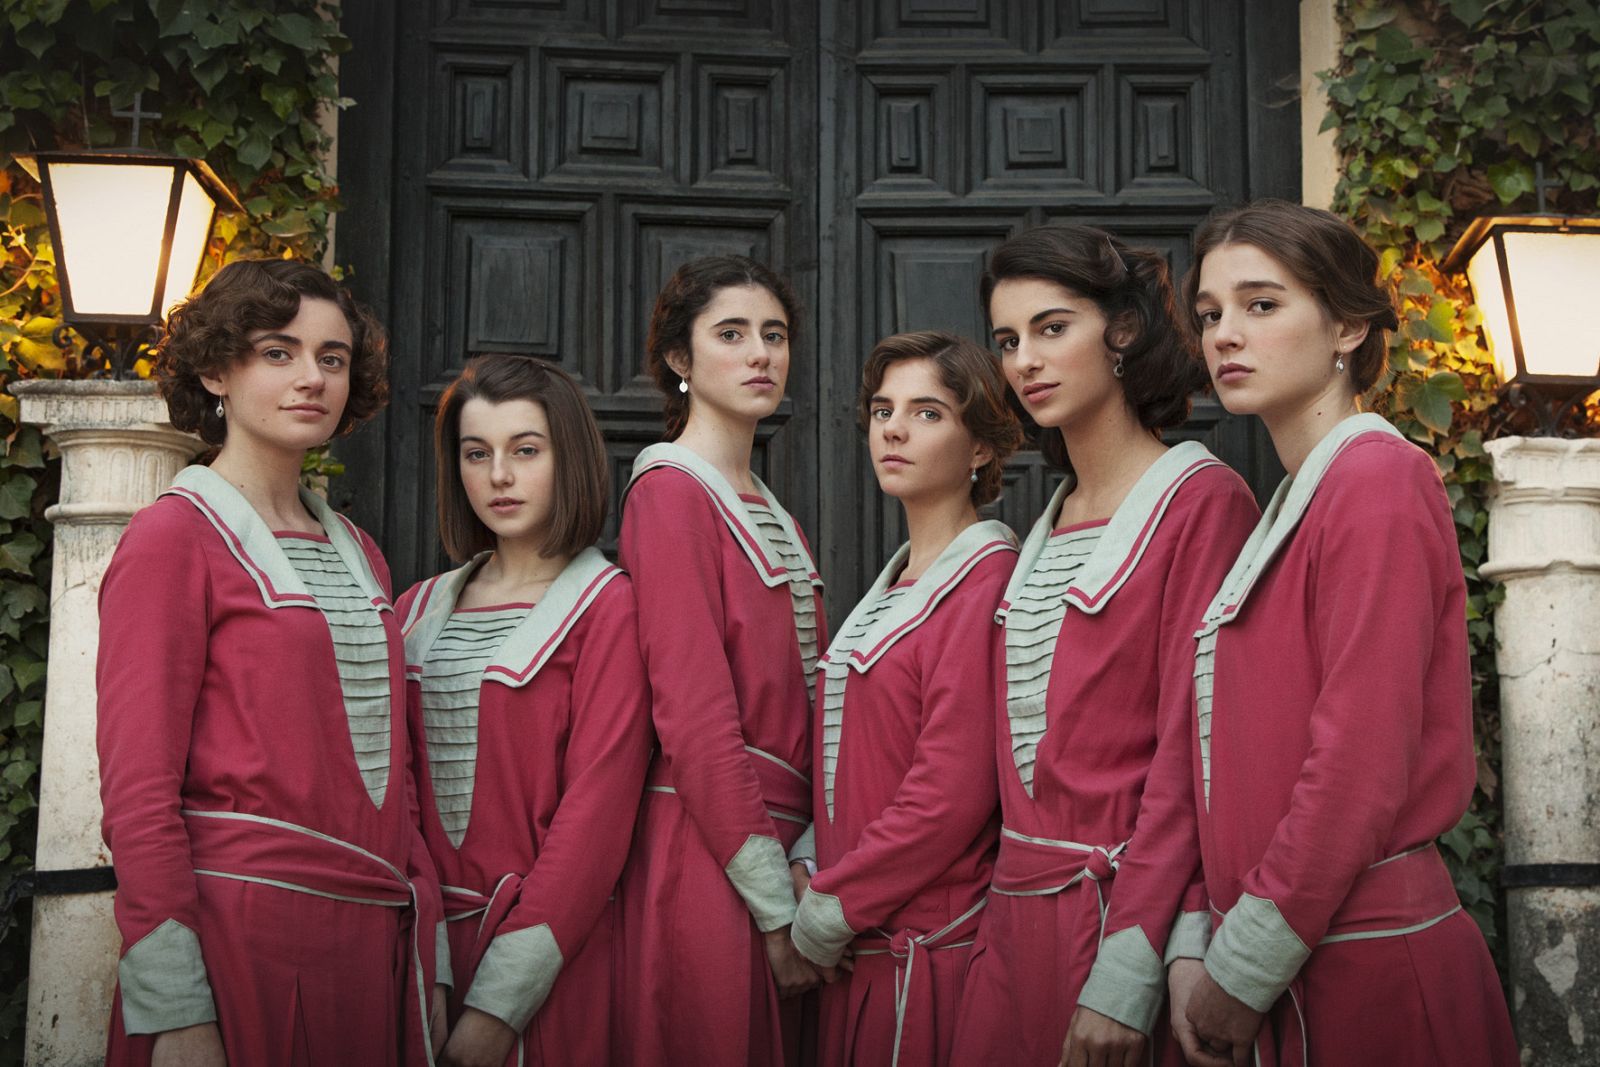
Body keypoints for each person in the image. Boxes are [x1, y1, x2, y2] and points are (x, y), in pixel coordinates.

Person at [1176, 200, 1518, 1067]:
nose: (1224, 334)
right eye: (1211, 313)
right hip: (1302, 958)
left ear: (1347, 324)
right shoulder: (1292, 503)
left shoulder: (1376, 480)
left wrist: (1244, 965)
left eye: (1261, 305)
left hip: (1371, 964)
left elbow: (1360, 761)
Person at [96, 259, 446, 1066]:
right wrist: (174, 1001)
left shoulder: (360, 552)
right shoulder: (172, 538)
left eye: (332, 357)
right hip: (238, 941)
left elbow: (402, 772)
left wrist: (426, 953)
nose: (312, 378)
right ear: (217, 368)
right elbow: (139, 793)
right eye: (278, 352)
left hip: (367, 946)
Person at [950, 225, 1260, 1067]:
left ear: (1121, 331)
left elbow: (1189, 756)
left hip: (1124, 923)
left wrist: (1128, 968)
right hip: (1007, 922)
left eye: (1053, 328)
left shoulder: (1203, 502)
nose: (1024, 362)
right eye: (1008, 340)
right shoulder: (1038, 528)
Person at [396, 355, 653, 1067]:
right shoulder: (413, 609)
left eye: (525, 450)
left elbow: (595, 821)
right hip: (414, 952)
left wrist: (496, 1005)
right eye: (476, 453)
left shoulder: (610, 607)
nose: (498, 475)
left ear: (567, 456)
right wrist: (430, 962)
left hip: (547, 962)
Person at [788, 331, 1021, 1066]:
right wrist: (806, 859)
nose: (891, 428)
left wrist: (825, 910)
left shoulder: (986, 583)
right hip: (858, 942)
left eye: (927, 413)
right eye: (883, 409)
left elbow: (948, 794)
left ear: (980, 445)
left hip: (924, 957)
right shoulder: (887, 590)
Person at [615, 255, 825, 1066]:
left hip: (784, 845)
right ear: (680, 359)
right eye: (731, 334)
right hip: (708, 852)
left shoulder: (772, 511)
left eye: (773, 335)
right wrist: (775, 907)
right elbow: (695, 717)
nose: (760, 354)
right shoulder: (669, 493)